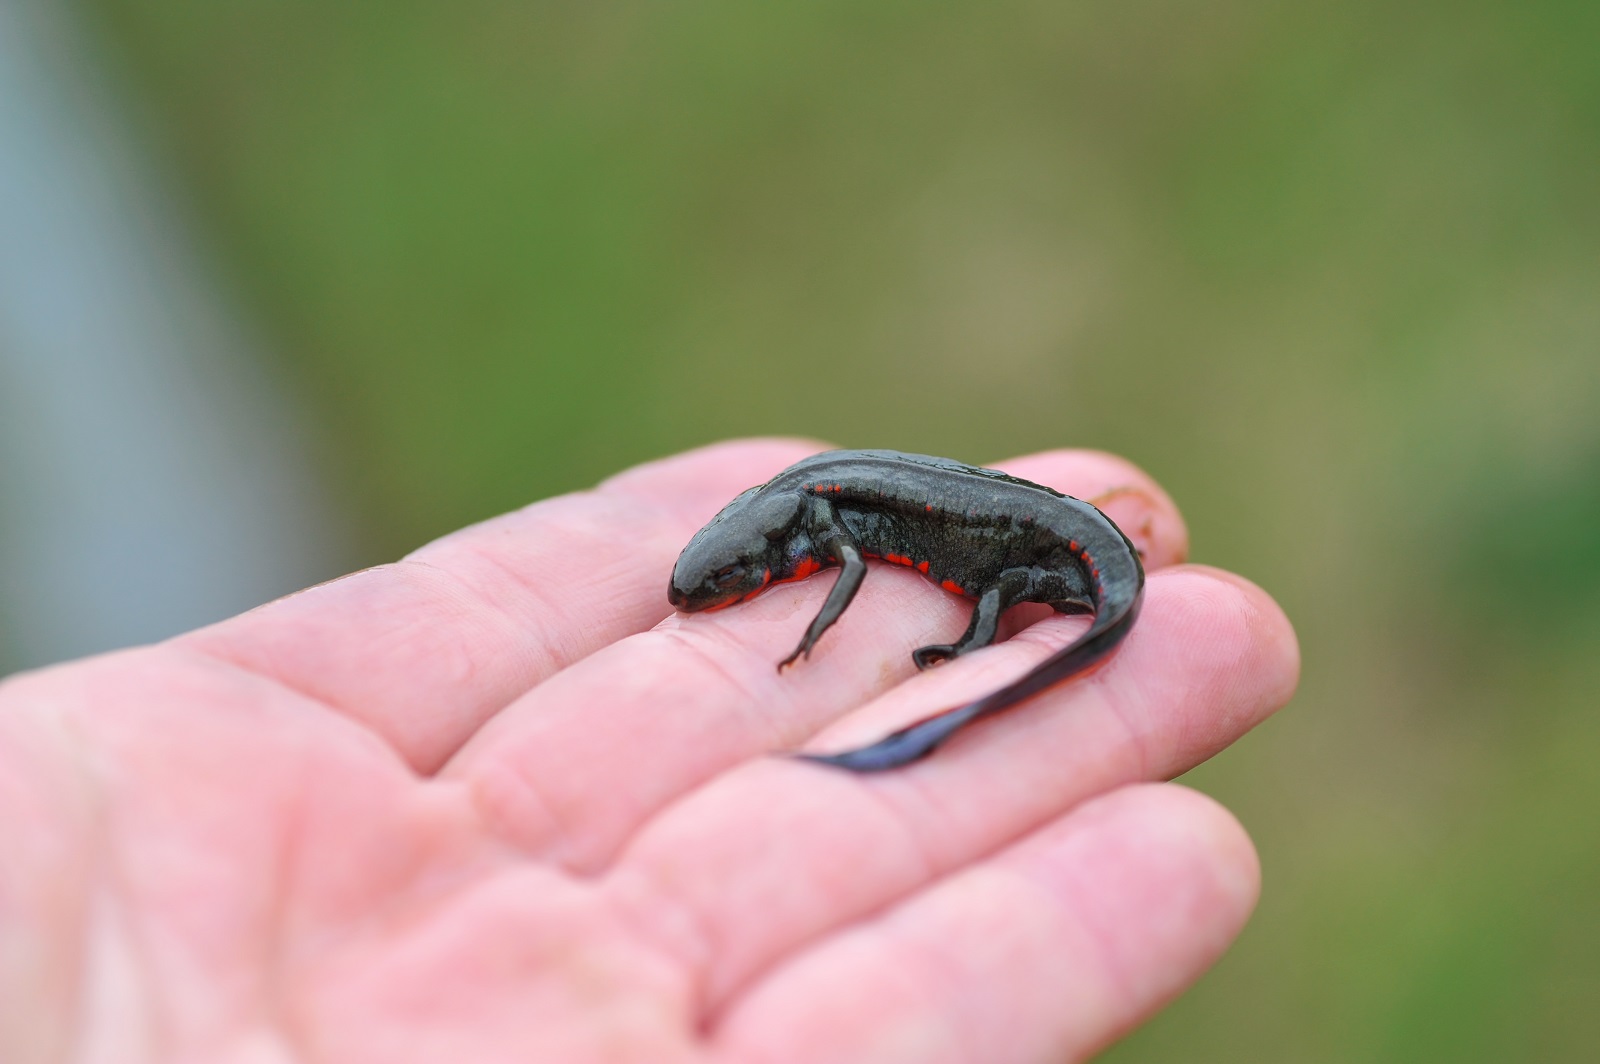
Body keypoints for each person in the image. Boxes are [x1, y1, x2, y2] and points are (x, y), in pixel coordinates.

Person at [0, 439, 1299, 1063]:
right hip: (1042, 545)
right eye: (737, 575)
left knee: (1010, 624)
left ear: (782, 540)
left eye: (739, 577)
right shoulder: (822, 514)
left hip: (1060, 554)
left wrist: (967, 652)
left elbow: (861, 572)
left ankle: (972, 675)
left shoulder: (856, 527)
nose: (730, 588)